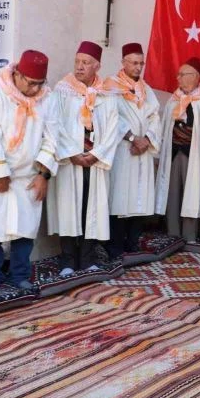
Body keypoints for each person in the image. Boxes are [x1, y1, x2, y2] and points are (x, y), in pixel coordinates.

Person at [0, 50, 57, 292]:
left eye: (40, 83)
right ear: (17, 74)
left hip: (28, 176)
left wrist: (43, 174)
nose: (35, 89)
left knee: (24, 228)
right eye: (31, 83)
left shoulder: (47, 97)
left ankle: (20, 275)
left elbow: (53, 136)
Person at [47, 41, 119, 275]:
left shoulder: (107, 94)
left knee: (92, 209)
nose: (79, 66)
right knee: (69, 209)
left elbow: (113, 128)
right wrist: (72, 153)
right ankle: (67, 261)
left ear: (97, 66)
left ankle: (88, 259)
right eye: (77, 61)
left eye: (85, 63)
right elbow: (54, 124)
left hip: (95, 161)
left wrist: (96, 154)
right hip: (71, 160)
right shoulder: (62, 91)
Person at [103, 43, 161, 257]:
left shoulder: (146, 90)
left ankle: (133, 243)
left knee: (139, 197)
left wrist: (146, 139)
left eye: (141, 63)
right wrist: (131, 138)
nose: (138, 67)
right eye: (134, 63)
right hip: (122, 150)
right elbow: (110, 116)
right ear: (123, 62)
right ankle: (115, 246)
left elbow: (155, 116)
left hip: (142, 150)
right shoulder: (110, 87)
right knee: (119, 197)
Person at [155, 57, 200, 243]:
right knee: (173, 193)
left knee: (193, 195)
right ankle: (173, 234)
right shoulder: (174, 99)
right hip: (173, 153)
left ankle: (189, 236)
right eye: (178, 74)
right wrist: (159, 154)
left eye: (182, 74)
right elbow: (164, 128)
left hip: (195, 155)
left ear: (195, 76)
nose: (178, 78)